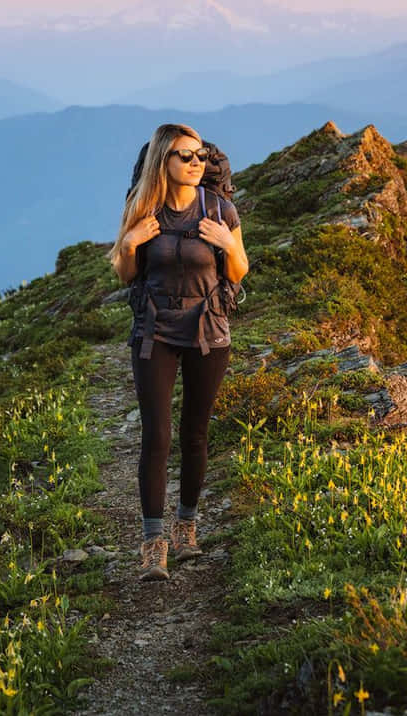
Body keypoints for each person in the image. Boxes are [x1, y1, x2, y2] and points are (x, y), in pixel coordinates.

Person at [109, 123, 249, 581]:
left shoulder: (220, 209)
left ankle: (186, 526)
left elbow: (240, 269)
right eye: (185, 156)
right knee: (157, 436)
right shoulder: (142, 208)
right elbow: (125, 273)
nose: (196, 163)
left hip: (208, 331)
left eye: (200, 156)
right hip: (155, 331)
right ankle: (153, 543)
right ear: (162, 163)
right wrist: (130, 243)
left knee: (195, 433)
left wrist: (228, 243)